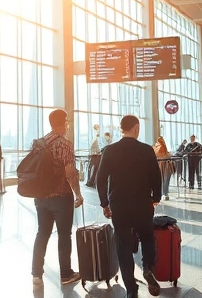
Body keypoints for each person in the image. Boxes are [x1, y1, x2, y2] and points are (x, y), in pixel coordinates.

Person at [95, 115, 162, 298]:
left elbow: (100, 179)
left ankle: (131, 290)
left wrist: (104, 203)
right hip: (142, 204)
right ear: (137, 128)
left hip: (119, 205)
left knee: (123, 245)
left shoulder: (110, 150)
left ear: (121, 129)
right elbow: (156, 177)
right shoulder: (146, 150)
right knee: (147, 237)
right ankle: (148, 267)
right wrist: (155, 198)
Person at [31, 109, 84, 287]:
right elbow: (70, 173)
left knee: (42, 233)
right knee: (64, 235)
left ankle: (36, 274)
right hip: (61, 197)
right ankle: (66, 274)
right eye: (67, 121)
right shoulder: (65, 144)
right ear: (64, 123)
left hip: (40, 196)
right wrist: (78, 194)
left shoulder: (40, 143)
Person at [153, 136, 173, 201]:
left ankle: (161, 193)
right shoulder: (162, 147)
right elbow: (166, 155)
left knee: (160, 180)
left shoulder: (155, 147)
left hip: (158, 166)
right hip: (165, 166)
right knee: (165, 180)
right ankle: (165, 193)